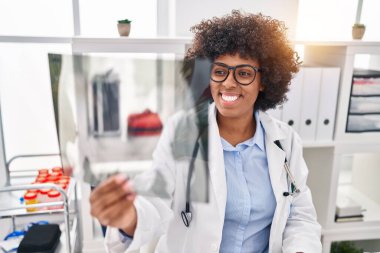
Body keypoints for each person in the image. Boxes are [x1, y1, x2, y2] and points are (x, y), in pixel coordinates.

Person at [89, 10, 322, 253]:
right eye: (219, 71)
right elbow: (155, 198)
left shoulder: (285, 141)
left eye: (244, 73)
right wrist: (128, 218)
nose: (229, 83)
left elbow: (299, 213)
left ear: (264, 81)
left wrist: (300, 249)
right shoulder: (182, 131)